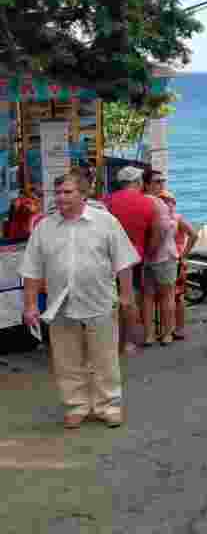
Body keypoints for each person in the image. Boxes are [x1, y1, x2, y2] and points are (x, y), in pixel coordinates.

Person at [20, 171, 139, 429]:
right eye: (58, 193)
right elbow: (31, 270)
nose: (61, 198)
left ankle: (108, 406)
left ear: (83, 194)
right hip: (60, 305)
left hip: (99, 300)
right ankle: (76, 406)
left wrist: (127, 295)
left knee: (105, 357)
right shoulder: (44, 228)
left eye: (68, 192)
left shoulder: (106, 222)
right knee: (66, 359)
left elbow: (124, 261)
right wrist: (30, 305)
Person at [107, 166, 158, 355]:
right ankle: (129, 341)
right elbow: (156, 230)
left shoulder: (108, 201)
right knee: (130, 299)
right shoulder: (148, 203)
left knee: (112, 299)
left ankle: (114, 340)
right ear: (137, 182)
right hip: (135, 257)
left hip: (110, 257)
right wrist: (149, 251)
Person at [141, 169, 178, 346]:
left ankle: (149, 335)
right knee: (167, 295)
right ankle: (167, 333)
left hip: (145, 258)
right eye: (157, 181)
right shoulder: (159, 203)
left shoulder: (141, 201)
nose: (161, 184)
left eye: (163, 181)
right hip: (162, 255)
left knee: (147, 296)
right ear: (146, 184)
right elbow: (164, 229)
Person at [160, 190, 198, 341]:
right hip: (171, 260)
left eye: (168, 201)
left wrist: (184, 254)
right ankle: (172, 328)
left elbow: (193, 235)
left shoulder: (177, 218)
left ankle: (178, 328)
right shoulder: (167, 218)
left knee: (177, 296)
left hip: (176, 260)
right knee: (174, 296)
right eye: (163, 200)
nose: (166, 203)